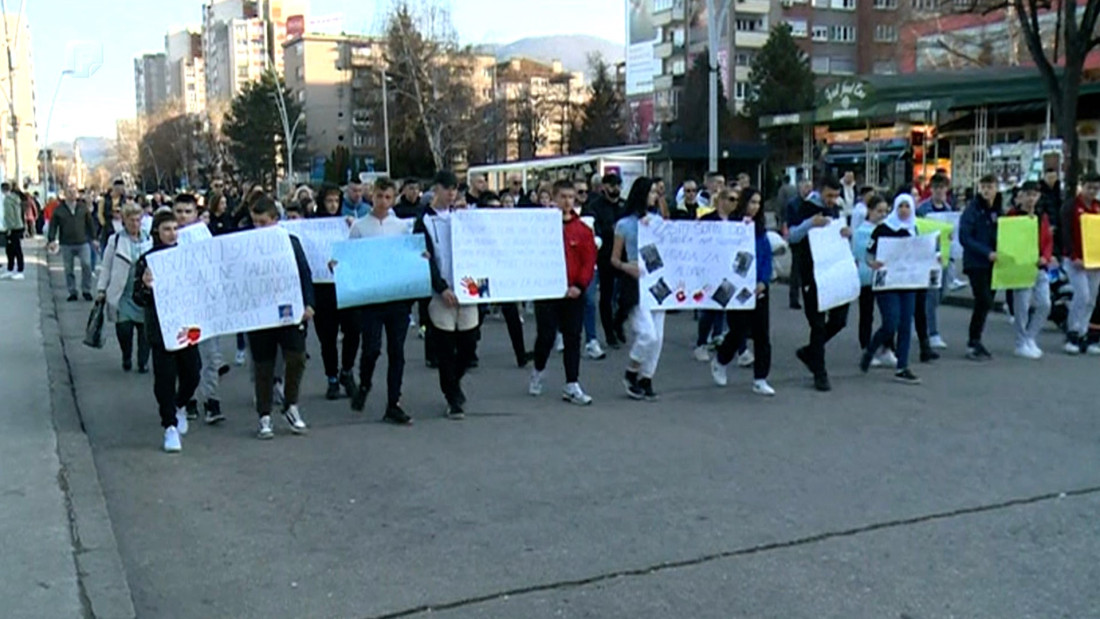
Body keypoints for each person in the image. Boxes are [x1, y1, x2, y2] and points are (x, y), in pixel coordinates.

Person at [346, 177, 415, 425]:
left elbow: (409, 257)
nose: (383, 202)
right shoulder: (360, 227)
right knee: (372, 349)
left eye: (388, 197)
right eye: (379, 197)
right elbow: (350, 259)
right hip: (371, 299)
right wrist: (338, 266)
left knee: (397, 351)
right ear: (371, 196)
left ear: (394, 198)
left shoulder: (401, 227)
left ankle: (393, 403)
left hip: (396, 298)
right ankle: (364, 384)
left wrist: (420, 258)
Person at [131, 210, 200, 453]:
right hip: (161, 330)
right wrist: (146, 286)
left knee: (193, 374)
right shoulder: (147, 260)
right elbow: (137, 298)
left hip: (187, 326)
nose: (171, 234)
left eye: (174, 228)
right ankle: (169, 425)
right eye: (166, 229)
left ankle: (180, 404)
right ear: (157, 233)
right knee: (165, 378)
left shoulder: (188, 256)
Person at [246, 196, 315, 439]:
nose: (258, 228)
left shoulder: (291, 242)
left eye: (263, 222)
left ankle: (291, 404)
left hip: (289, 310)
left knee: (296, 357)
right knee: (263, 365)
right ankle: (264, 415)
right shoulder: (246, 245)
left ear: (275, 220)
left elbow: (304, 273)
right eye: (254, 222)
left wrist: (308, 304)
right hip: (259, 314)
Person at [414, 170, 478, 419]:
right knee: (445, 347)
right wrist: (441, 288)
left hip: (467, 289)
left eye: (456, 189)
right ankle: (452, 396)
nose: (452, 193)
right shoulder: (424, 221)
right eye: (447, 188)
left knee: (468, 344)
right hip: (440, 292)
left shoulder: (463, 216)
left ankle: (454, 383)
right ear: (436, 189)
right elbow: (424, 258)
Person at [528, 179, 598, 405]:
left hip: (572, 293)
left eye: (571, 197)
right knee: (546, 336)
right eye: (563, 197)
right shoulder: (540, 227)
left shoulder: (583, 230)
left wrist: (579, 285)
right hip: (547, 291)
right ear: (554, 198)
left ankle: (572, 383)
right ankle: (538, 370)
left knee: (573, 337)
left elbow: (588, 261)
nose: (567, 202)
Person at [788, 176, 852, 392]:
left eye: (836, 196)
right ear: (820, 192)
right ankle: (819, 372)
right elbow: (792, 237)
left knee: (839, 320)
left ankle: (810, 352)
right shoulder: (803, 207)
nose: (832, 200)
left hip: (833, 272)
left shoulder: (835, 209)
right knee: (816, 324)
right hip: (811, 274)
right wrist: (810, 224)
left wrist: (845, 234)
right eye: (829, 196)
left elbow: (838, 234)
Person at [710, 188, 776, 396]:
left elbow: (766, 258)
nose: (755, 207)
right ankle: (721, 360)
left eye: (758, 203)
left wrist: (764, 282)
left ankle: (760, 378)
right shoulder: (731, 226)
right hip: (735, 287)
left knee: (762, 334)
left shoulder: (760, 230)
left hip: (758, 288)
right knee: (739, 331)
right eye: (751, 202)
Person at [859, 195, 923, 384]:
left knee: (905, 324)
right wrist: (873, 263)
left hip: (907, 281)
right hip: (887, 282)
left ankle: (902, 366)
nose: (904, 210)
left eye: (907, 206)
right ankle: (871, 349)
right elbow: (868, 254)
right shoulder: (882, 229)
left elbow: (920, 253)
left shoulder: (914, 229)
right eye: (900, 206)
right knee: (891, 322)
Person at [611, 177, 663, 401]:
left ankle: (647, 377)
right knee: (647, 333)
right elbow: (613, 258)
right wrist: (625, 266)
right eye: (651, 192)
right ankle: (631, 371)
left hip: (659, 282)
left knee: (658, 336)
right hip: (636, 282)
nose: (654, 196)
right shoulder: (625, 224)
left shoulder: (658, 221)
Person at [311, 184, 360, 399]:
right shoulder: (311, 225)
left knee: (352, 330)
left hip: (345, 285)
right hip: (322, 288)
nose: (332, 205)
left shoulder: (347, 224)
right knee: (327, 337)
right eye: (329, 201)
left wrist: (353, 227)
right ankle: (331, 377)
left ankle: (347, 371)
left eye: (336, 201)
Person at [96, 203, 152, 372]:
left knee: (144, 332)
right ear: (124, 221)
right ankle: (126, 356)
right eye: (131, 220)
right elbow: (106, 266)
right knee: (124, 330)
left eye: (138, 220)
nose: (135, 224)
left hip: (142, 293)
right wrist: (101, 289)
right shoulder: (116, 240)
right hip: (123, 293)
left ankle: (143, 362)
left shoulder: (149, 239)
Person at [1003, 181, 1054, 359]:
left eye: (1034, 195)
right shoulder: (1013, 215)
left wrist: (1046, 257)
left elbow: (1047, 240)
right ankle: (1020, 341)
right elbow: (1006, 239)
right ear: (1021, 196)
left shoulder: (1042, 216)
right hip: (1021, 266)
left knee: (1045, 303)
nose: (1031, 198)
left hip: (1039, 265)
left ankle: (1030, 336)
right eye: (1028, 194)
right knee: (1022, 306)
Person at [958, 174, 1002, 361]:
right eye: (983, 187)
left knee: (985, 303)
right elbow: (965, 237)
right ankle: (972, 342)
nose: (986, 190)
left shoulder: (998, 210)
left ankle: (976, 340)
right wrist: (986, 252)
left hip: (994, 263)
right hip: (976, 262)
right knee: (983, 299)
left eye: (990, 187)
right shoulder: (972, 210)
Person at [582, 173, 627, 348]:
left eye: (617, 186)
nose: (615, 189)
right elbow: (596, 230)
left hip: (624, 256)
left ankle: (619, 322)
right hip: (605, 257)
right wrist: (610, 230)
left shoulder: (624, 206)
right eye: (611, 186)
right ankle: (609, 334)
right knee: (606, 297)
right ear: (603, 187)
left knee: (627, 296)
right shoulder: (596, 206)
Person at [851, 194, 895, 367]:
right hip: (867, 277)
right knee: (866, 314)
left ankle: (888, 347)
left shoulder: (888, 228)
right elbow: (862, 253)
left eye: (885, 211)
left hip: (885, 276)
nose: (882, 214)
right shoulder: (862, 231)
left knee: (889, 314)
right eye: (879, 211)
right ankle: (866, 346)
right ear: (869, 211)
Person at [1060, 171, 1100, 355]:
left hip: (1094, 260)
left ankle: (1083, 331)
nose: (1092, 191)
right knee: (1082, 295)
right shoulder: (1070, 207)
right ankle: (1072, 331)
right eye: (1089, 187)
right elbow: (1065, 232)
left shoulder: (1098, 207)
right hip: (1075, 259)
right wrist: (1072, 255)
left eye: (1096, 188)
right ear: (1081, 186)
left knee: (1091, 298)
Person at [916, 173, 956, 351]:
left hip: (945, 256)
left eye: (942, 188)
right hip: (929, 257)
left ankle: (919, 318)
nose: (940, 192)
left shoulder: (949, 209)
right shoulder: (923, 209)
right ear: (931, 190)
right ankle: (932, 333)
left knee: (943, 291)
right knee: (931, 295)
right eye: (936, 188)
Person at [48, 187, 97, 301]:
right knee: (68, 268)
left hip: (83, 241)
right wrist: (51, 240)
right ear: (65, 194)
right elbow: (53, 225)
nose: (72, 194)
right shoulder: (59, 210)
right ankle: (72, 291)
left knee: (87, 265)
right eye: (69, 192)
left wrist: (94, 238)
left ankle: (86, 290)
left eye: (74, 192)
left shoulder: (83, 208)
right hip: (66, 243)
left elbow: (90, 223)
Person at [783, 178, 814, 310]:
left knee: (810, 269)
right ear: (800, 188)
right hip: (798, 238)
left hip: (812, 240)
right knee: (796, 270)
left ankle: (810, 296)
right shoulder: (793, 203)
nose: (807, 190)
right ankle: (794, 298)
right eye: (805, 186)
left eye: (809, 187)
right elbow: (790, 220)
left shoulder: (814, 202)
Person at [2, 183, 25, 280]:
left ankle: (16, 270)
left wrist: (9, 228)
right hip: (18, 226)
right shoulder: (15, 198)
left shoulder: (7, 200)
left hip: (12, 228)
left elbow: (9, 215)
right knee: (13, 249)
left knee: (13, 249)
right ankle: (13, 269)